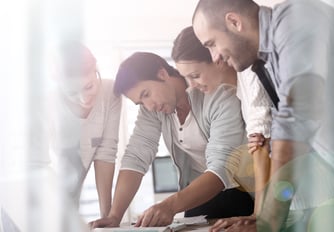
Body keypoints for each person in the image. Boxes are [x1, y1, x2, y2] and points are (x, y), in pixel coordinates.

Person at [192, 0, 334, 231]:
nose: (214, 57)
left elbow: (296, 120)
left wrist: (270, 220)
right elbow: (291, 146)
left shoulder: (296, 18)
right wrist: (265, 215)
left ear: (234, 22)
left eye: (212, 44)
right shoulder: (268, 63)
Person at [89, 52, 254, 228]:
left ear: (162, 74)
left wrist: (169, 205)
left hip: (242, 192)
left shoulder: (218, 96)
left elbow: (222, 167)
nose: (149, 106)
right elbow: (136, 157)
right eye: (140, 102)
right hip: (198, 196)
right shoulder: (153, 110)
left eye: (146, 94)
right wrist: (115, 216)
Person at [171, 25, 272, 216]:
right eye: (186, 79)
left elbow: (263, 151)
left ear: (215, 57)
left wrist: (259, 217)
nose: (191, 86)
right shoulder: (238, 92)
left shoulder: (250, 76)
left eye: (195, 75)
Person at [50, 40, 122, 217]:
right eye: (72, 93)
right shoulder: (46, 106)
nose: (83, 99)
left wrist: (107, 218)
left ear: (96, 67)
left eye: (88, 87)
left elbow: (106, 152)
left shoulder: (110, 92)